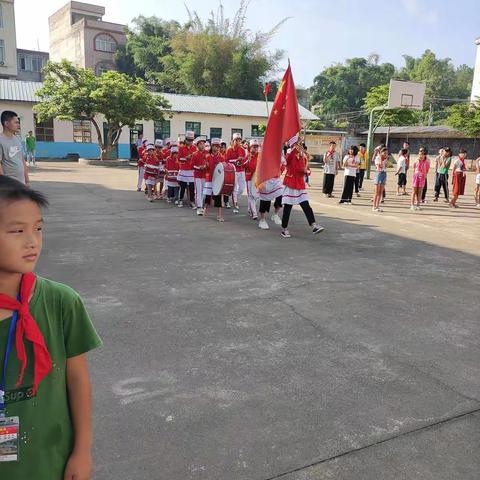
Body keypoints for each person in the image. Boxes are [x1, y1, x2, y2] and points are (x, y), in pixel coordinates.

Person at [0, 176, 102, 479]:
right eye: (17, 231)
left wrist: (82, 451)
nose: (33, 241)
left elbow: (78, 380)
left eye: (38, 228)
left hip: (51, 460)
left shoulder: (60, 302)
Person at [281, 135, 324, 238]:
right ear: (293, 145)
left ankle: (314, 225)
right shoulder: (289, 153)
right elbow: (289, 160)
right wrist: (296, 144)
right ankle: (284, 229)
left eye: (300, 144)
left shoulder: (303, 155)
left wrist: (307, 172)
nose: (300, 146)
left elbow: (305, 168)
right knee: (288, 207)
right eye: (298, 144)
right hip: (291, 183)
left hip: (300, 184)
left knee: (306, 205)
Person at [0, 111, 29, 185]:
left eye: (18, 122)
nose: (18, 125)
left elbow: (22, 159)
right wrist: (3, 184)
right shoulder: (1, 140)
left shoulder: (17, 139)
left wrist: (27, 180)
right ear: (6, 123)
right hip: (9, 184)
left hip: (21, 183)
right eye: (16, 123)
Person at [203, 138, 225, 222]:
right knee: (208, 195)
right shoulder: (207, 157)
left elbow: (223, 169)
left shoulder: (221, 157)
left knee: (218, 196)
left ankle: (219, 214)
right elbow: (206, 168)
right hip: (209, 178)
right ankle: (205, 208)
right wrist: (205, 166)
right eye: (215, 146)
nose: (216, 148)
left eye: (218, 146)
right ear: (211, 147)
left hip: (218, 180)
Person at [226, 133, 247, 213]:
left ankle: (233, 197)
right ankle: (235, 204)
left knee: (241, 189)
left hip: (241, 170)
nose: (238, 142)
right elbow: (227, 161)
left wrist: (242, 160)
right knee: (234, 188)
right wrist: (235, 160)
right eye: (236, 140)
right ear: (233, 141)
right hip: (233, 171)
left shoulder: (242, 149)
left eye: (239, 140)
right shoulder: (229, 150)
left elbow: (245, 160)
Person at [177, 131, 197, 208]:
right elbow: (179, 158)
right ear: (186, 140)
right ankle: (180, 200)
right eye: (189, 140)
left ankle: (192, 201)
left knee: (192, 186)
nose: (190, 142)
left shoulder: (195, 148)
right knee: (183, 186)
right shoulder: (181, 148)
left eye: (191, 140)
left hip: (191, 170)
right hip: (184, 169)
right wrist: (186, 158)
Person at [192, 138, 208, 215]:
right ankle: (199, 207)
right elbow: (192, 165)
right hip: (197, 175)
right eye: (200, 144)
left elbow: (209, 164)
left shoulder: (207, 153)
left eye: (203, 144)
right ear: (197, 145)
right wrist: (199, 167)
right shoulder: (194, 154)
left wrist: (205, 166)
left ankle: (200, 204)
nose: (202, 145)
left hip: (205, 175)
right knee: (199, 191)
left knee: (204, 192)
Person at [410, 147, 430, 211]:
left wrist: (423, 176)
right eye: (420, 153)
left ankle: (418, 205)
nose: (421, 155)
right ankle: (412, 205)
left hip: (422, 177)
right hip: (416, 177)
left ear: (425, 155)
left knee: (420, 192)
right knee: (414, 191)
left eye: (423, 154)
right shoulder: (416, 160)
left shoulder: (427, 162)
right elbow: (414, 168)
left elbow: (427, 170)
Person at [245, 139, 259, 220]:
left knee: (256, 196)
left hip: (257, 179)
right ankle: (254, 213)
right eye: (254, 147)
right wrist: (248, 161)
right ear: (250, 148)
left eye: (256, 147)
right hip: (249, 178)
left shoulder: (260, 156)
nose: (255, 149)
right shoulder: (248, 156)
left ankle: (250, 209)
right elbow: (243, 165)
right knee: (251, 195)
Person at [372, 146, 388, 212]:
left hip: (384, 173)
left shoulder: (385, 158)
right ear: (381, 152)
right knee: (376, 192)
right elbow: (380, 166)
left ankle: (377, 206)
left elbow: (386, 166)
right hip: (378, 173)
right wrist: (380, 157)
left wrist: (385, 159)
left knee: (381, 192)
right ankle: (374, 206)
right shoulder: (378, 158)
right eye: (384, 153)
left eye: (386, 153)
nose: (385, 154)